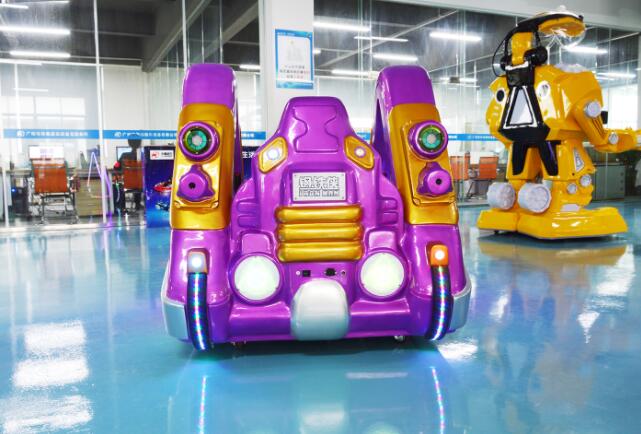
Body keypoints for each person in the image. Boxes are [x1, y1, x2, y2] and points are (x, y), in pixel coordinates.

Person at [113, 135, 143, 211]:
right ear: (140, 143)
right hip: (140, 185)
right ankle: (137, 205)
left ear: (129, 143)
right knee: (138, 182)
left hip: (128, 184)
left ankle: (122, 207)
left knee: (117, 184)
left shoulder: (124, 155)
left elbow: (116, 167)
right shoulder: (143, 155)